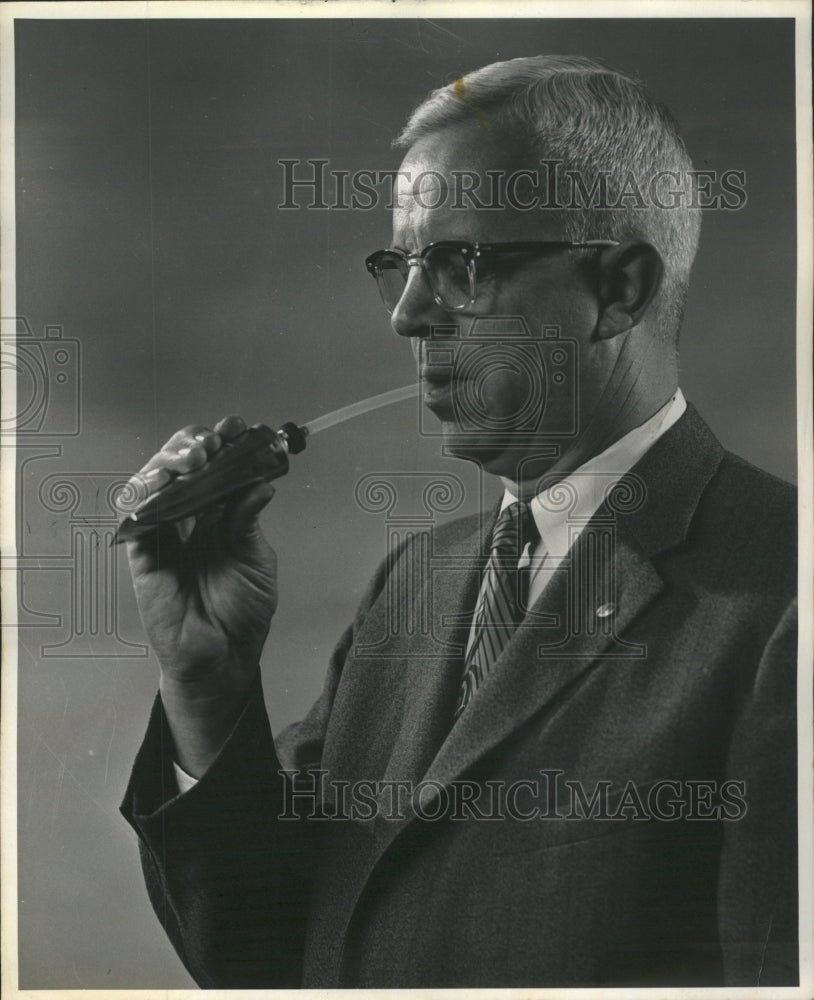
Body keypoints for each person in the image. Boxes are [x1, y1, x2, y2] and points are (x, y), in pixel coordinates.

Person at [119, 55, 798, 988]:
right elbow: (262, 960)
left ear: (620, 289)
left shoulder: (783, 600)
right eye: (401, 265)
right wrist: (206, 685)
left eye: (461, 263)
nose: (406, 315)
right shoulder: (419, 581)